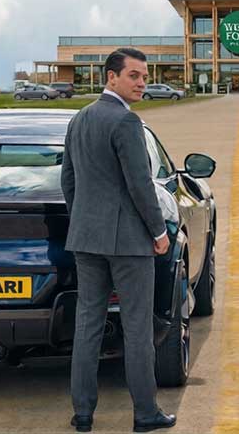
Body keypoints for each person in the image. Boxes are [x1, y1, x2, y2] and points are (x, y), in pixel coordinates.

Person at [60, 47, 176, 433]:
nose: (142, 82)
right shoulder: (126, 122)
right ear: (111, 77)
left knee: (87, 327)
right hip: (128, 244)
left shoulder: (79, 119)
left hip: (86, 240)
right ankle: (145, 414)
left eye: (144, 76)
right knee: (137, 329)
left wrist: (85, 222)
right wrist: (159, 232)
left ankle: (83, 415)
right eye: (134, 76)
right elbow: (141, 185)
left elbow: (69, 182)